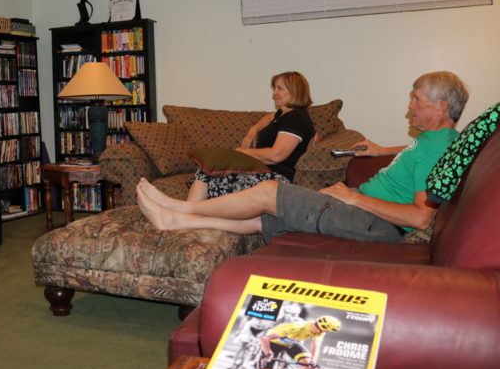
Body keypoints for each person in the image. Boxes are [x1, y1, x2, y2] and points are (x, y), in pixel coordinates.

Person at [136, 71, 469, 243]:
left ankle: (180, 206)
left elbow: (421, 219)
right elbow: (417, 155)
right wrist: (384, 150)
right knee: (263, 220)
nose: (410, 105)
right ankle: (177, 221)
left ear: (441, 107)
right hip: (368, 218)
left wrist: (355, 199)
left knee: (268, 193)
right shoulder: (436, 141)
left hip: (374, 224)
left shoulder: (436, 147)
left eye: (417, 99)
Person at [188, 71, 315, 201]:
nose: (274, 93)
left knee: (210, 175)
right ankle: (188, 215)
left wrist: (244, 152)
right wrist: (252, 131)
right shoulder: (282, 115)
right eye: (275, 88)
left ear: (295, 90)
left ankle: (187, 214)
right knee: (208, 172)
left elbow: (276, 156)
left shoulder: (296, 118)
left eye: (280, 88)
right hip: (262, 173)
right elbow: (268, 117)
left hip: (278, 179)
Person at [256, 315, 341, 369]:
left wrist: (313, 363)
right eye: (327, 330)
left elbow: (316, 347)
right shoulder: (297, 327)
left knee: (307, 367)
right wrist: (268, 354)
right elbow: (264, 339)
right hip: (273, 343)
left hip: (291, 343)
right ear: (323, 328)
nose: (327, 332)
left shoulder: (320, 332)